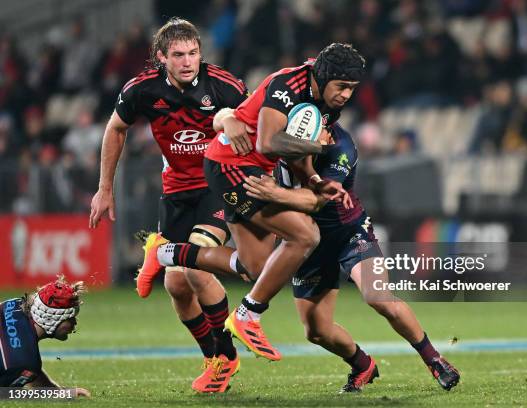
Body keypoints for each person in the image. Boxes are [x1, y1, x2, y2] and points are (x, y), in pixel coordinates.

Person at [138, 43, 364, 364]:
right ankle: (247, 315)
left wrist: (313, 178)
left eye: (352, 89)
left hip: (249, 169)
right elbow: (268, 141)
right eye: (341, 86)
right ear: (324, 76)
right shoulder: (287, 85)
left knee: (255, 267)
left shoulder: (327, 102)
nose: (345, 95)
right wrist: (316, 145)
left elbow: (297, 155)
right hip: (232, 165)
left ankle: (163, 252)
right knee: (305, 236)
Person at [88, 17, 250, 393]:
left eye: (193, 53)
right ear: (162, 58)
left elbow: (256, 128)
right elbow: (115, 128)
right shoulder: (141, 90)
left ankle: (226, 356)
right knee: (176, 284)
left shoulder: (224, 87)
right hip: (176, 189)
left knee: (195, 266)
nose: (188, 60)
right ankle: (212, 357)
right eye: (178, 54)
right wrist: (104, 188)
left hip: (218, 184)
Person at [242, 124, 461, 393]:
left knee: (378, 296)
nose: (323, 130)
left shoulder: (341, 146)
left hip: (348, 232)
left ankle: (434, 359)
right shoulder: (272, 137)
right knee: (316, 332)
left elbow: (315, 201)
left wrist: (273, 193)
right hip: (307, 246)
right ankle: (362, 365)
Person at [0, 277, 90, 396]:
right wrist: (61, 395)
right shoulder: (26, 362)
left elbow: (25, 365)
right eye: (70, 318)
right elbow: (6, 394)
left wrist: (57, 392)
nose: (75, 323)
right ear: (51, 319)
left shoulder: (13, 304)